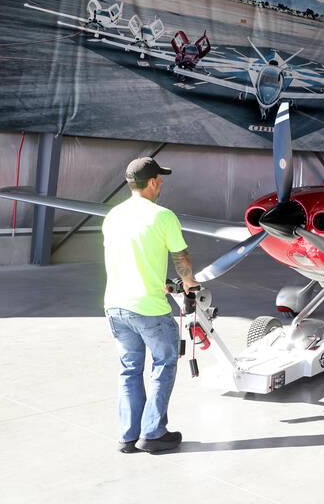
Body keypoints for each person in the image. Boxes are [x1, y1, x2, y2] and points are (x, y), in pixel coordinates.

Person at [103, 157, 196, 454]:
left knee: (130, 369)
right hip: (148, 308)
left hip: (115, 306)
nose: (162, 183)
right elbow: (181, 259)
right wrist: (190, 285)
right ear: (152, 182)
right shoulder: (163, 216)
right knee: (164, 363)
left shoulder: (113, 216)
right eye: (160, 179)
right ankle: (153, 433)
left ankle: (128, 436)